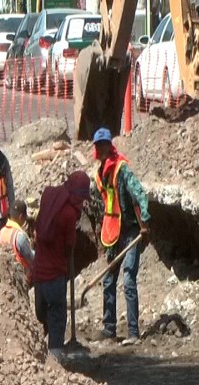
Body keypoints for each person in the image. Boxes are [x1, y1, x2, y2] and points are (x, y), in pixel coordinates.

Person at [90, 127, 151, 346]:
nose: (102, 148)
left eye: (105, 144)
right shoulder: (100, 174)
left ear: (110, 146)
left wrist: (145, 222)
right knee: (108, 280)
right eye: (99, 146)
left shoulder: (121, 170)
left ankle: (133, 332)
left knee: (128, 278)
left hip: (131, 231)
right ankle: (109, 329)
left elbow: (140, 194)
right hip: (112, 232)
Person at [32, 171, 90, 357]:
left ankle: (45, 348)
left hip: (39, 272)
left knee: (43, 313)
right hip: (55, 274)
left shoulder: (49, 197)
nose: (81, 203)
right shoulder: (68, 213)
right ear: (76, 194)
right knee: (57, 315)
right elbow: (69, 243)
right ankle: (55, 355)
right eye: (81, 199)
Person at [0, 199, 34, 273]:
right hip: (22, 275)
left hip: (6, 272)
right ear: (21, 217)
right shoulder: (19, 236)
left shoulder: (1, 232)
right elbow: (31, 258)